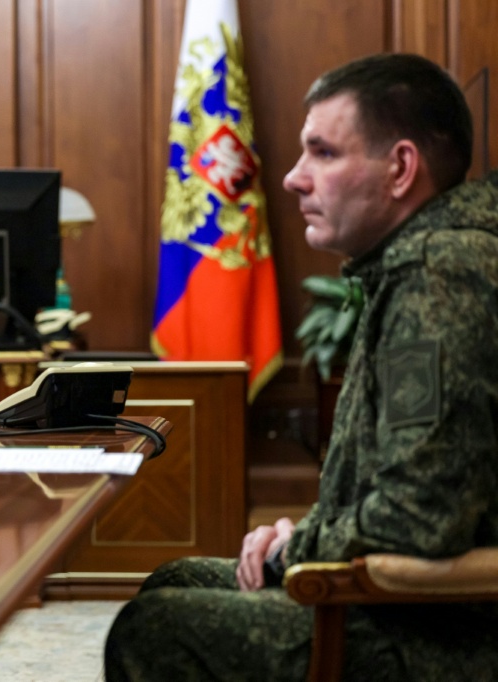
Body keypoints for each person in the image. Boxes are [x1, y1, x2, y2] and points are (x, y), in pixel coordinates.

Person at [105, 53, 498, 680]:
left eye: (323, 153)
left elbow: (420, 515)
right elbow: (395, 482)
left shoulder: (438, 276)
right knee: (175, 581)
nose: (292, 178)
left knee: (157, 630)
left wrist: (298, 548)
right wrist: (303, 536)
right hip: (404, 606)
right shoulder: (420, 262)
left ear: (401, 169)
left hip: (442, 634)